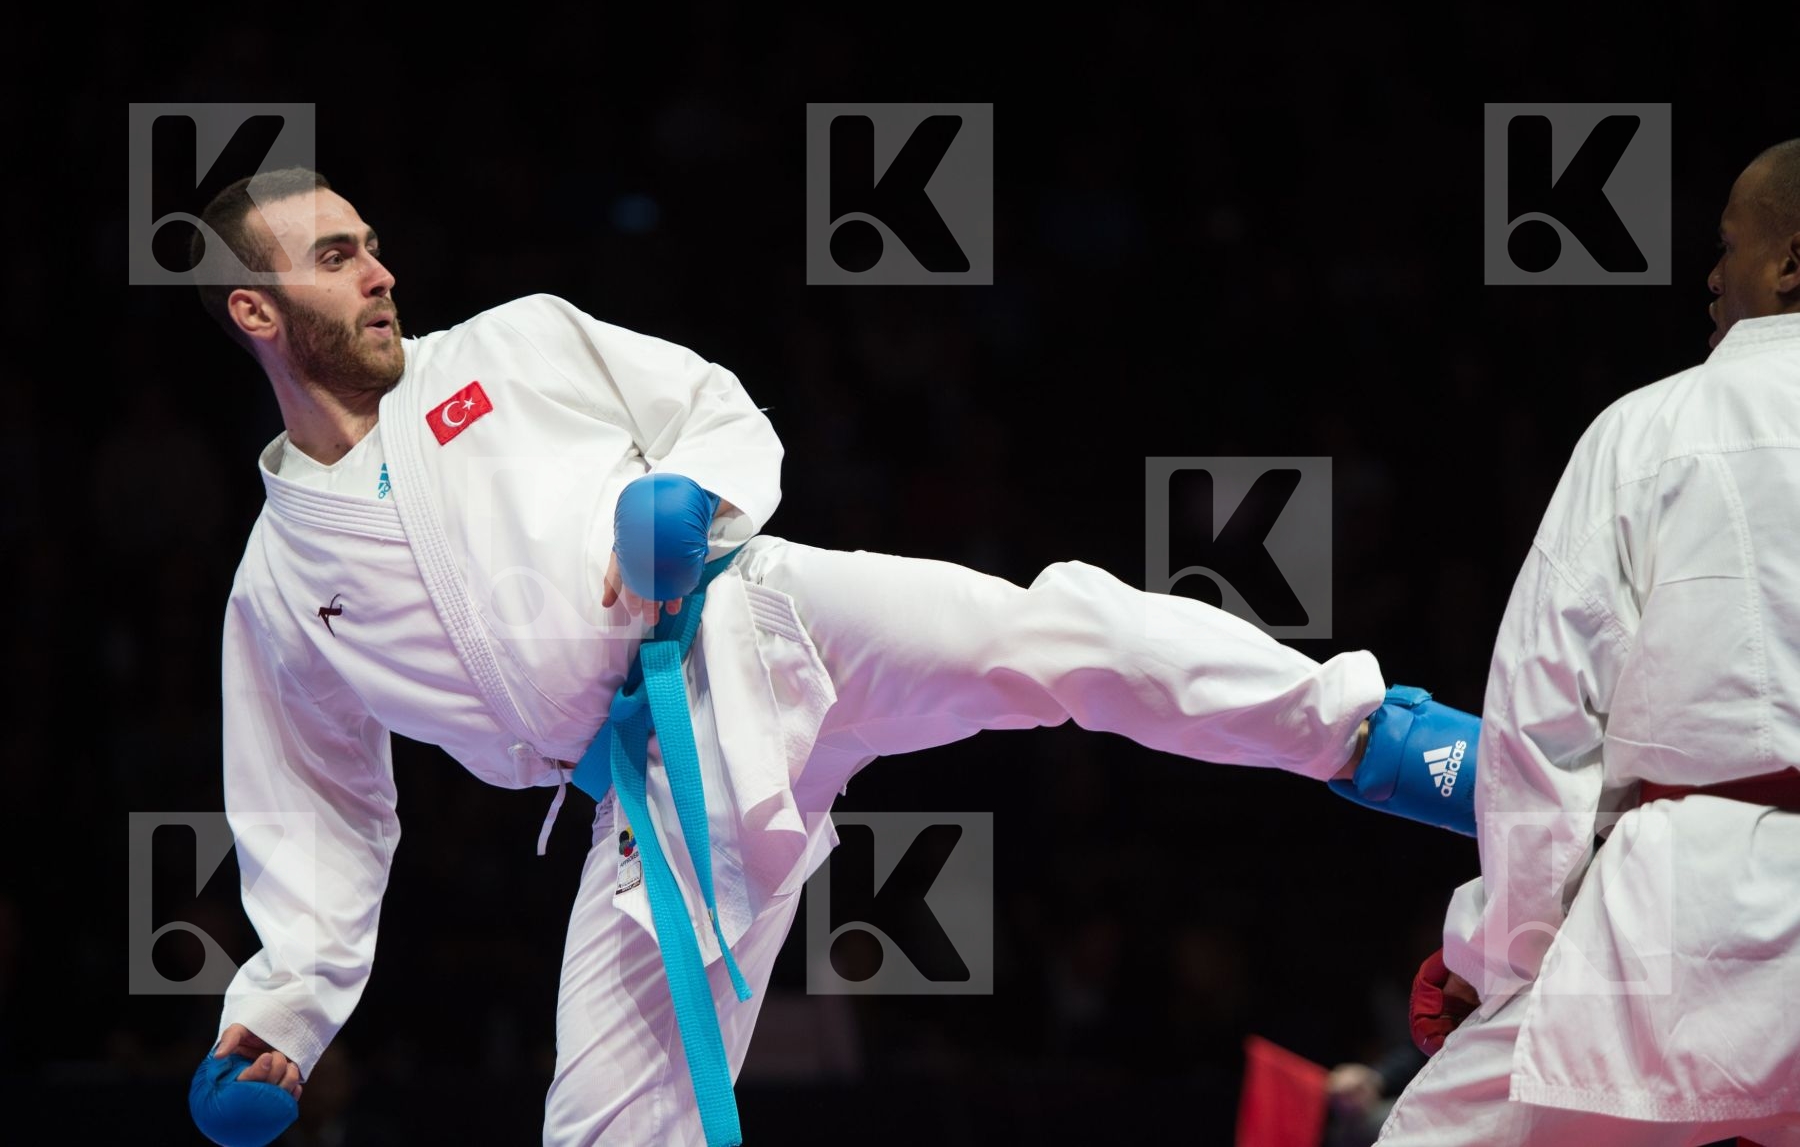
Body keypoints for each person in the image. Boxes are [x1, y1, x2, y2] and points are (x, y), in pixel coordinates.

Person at [179, 167, 1473, 1147]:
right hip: (647, 796)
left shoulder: (511, 347)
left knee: (1050, 632)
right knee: (603, 1128)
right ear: (256, 306)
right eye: (338, 256)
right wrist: (287, 1011)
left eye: (373, 244)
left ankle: (1375, 734)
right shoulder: (281, 587)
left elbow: (712, 409)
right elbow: (319, 807)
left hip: (761, 622)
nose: (379, 270)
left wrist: (686, 500)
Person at [1376, 139, 1800, 1146]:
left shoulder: (1649, 434)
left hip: (1683, 942)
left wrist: (1496, 962)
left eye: (1728, 245)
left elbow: (1542, 746)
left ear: (1790, 261)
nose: (1709, 275)